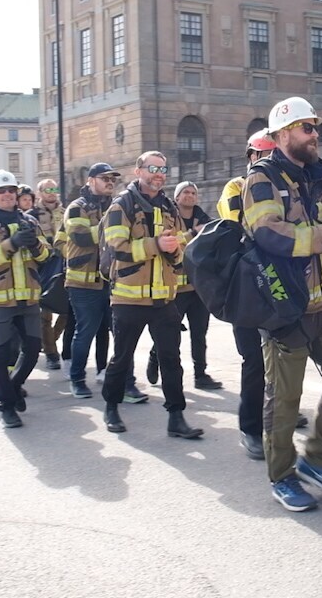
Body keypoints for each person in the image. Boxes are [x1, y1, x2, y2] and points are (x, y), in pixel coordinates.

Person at [243, 96, 322, 512]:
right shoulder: (261, 179)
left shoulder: (316, 177)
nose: (315, 135)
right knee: (284, 399)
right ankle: (282, 477)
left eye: (315, 127)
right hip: (287, 307)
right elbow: (269, 235)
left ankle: (317, 459)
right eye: (307, 128)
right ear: (283, 135)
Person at [101, 151, 203, 439]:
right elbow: (118, 247)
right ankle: (111, 406)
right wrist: (156, 245)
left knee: (171, 359)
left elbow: (177, 245)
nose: (159, 173)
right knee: (121, 358)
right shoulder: (122, 205)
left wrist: (176, 248)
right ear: (138, 171)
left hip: (163, 299)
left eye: (163, 169)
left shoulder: (168, 206)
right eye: (153, 168)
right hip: (128, 299)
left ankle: (176, 417)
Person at [218, 130, 293, 460]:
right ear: (250, 157)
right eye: (261, 156)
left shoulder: (289, 184)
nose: (266, 162)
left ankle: (278, 412)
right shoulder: (237, 187)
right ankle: (250, 428)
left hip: (280, 281)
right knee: (253, 360)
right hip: (247, 285)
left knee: (287, 354)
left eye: (272, 155)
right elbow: (245, 225)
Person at [0, 170, 52, 428]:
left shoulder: (29, 220)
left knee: (31, 352)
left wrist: (35, 246)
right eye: (1, 191)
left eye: (10, 191)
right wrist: (12, 244)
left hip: (28, 297)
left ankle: (14, 387)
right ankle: (5, 406)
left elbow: (45, 256)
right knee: (1, 353)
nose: (7, 195)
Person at [147, 181, 220, 390]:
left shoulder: (205, 220)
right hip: (176, 289)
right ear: (177, 198)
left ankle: (200, 374)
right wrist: (192, 234)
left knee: (200, 333)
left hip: (199, 288)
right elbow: (169, 243)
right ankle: (155, 357)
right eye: (185, 193)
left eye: (193, 193)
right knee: (170, 333)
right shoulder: (169, 218)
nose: (190, 196)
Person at [58, 163, 122, 400]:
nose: (109, 182)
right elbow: (80, 237)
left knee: (116, 331)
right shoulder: (77, 207)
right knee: (85, 332)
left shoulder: (115, 207)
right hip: (83, 282)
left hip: (110, 281)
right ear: (90, 180)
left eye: (112, 179)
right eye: (104, 178)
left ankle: (114, 375)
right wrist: (111, 227)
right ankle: (77, 379)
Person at [32, 178, 67, 371]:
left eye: (55, 188)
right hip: (43, 266)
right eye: (47, 189)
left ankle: (49, 342)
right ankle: (52, 353)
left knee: (66, 311)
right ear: (40, 193)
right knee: (45, 312)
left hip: (63, 264)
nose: (52, 192)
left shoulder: (65, 212)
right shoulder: (33, 214)